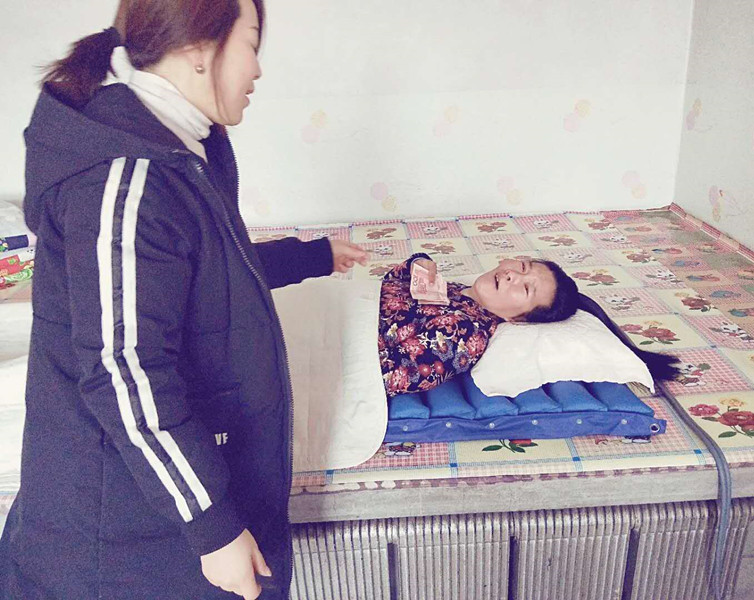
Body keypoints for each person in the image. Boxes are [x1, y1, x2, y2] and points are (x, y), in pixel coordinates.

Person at [0, 1, 367, 599]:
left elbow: (203, 275)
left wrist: (311, 257)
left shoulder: (175, 147)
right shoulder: (124, 183)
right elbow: (124, 370)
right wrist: (213, 527)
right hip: (119, 537)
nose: (258, 68)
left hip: (147, 513)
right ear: (199, 49)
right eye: (251, 43)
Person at [379, 254, 678, 397]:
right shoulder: (457, 290)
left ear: (517, 320)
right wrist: (419, 263)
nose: (512, 276)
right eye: (522, 268)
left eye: (525, 289)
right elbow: (389, 287)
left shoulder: (465, 335)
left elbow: (389, 377)